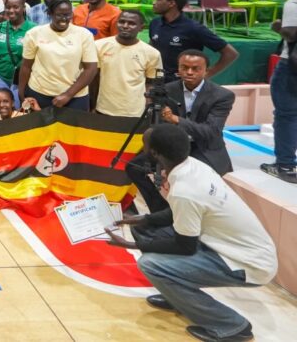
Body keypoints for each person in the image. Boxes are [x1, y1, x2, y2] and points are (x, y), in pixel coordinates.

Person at [107, 124, 277, 342]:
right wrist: (146, 219)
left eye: (144, 145)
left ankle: (231, 326)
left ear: (155, 153)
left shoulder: (185, 191)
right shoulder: (194, 166)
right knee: (144, 228)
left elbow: (184, 246)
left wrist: (131, 245)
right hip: (233, 247)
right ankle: (176, 296)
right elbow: (180, 213)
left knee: (151, 265)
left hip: (247, 264)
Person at [126, 50, 236, 214]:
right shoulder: (166, 90)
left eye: (195, 68)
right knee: (134, 167)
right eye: (184, 67)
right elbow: (159, 126)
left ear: (206, 70)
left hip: (203, 148)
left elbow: (210, 132)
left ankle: (194, 216)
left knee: (190, 180)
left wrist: (176, 119)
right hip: (174, 146)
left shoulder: (222, 95)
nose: (189, 72)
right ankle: (161, 212)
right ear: (178, 68)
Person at [18, 0, 98, 110]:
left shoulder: (84, 35)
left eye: (67, 15)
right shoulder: (34, 34)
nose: (64, 19)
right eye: (59, 15)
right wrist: (21, 92)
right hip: (40, 93)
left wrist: (68, 95)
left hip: (75, 96)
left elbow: (91, 69)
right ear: (50, 14)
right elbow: (26, 66)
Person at [149, 0, 238, 81]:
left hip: (182, 83)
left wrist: (207, 74)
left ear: (171, 3)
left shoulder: (194, 28)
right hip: (157, 80)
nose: (154, 2)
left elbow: (230, 53)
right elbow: (151, 48)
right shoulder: (155, 23)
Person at [93, 9, 163, 116]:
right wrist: (92, 104)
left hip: (134, 112)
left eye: (132, 23)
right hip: (103, 109)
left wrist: (147, 107)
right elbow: (94, 79)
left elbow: (152, 83)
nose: (125, 26)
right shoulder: (99, 46)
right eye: (122, 22)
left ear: (141, 28)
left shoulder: (152, 53)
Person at [264, 0, 297, 183]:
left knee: (286, 115)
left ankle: (285, 165)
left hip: (291, 68)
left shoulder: (293, 3)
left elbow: (292, 34)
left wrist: (278, 27)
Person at [0, 0, 34, 106]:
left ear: (23, 8)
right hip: (1, 77)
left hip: (23, 80)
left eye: (15, 7)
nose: (11, 10)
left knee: (19, 110)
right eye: (8, 7)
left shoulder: (34, 29)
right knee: (0, 109)